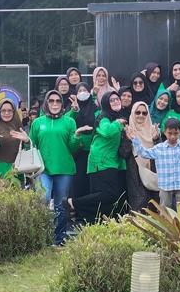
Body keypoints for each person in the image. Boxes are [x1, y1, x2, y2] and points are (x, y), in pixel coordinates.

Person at [71, 90, 129, 223]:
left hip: (112, 162)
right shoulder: (104, 117)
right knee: (109, 195)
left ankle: (96, 224)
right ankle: (74, 202)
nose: (116, 101)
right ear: (106, 103)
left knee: (108, 200)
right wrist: (118, 123)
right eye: (112, 100)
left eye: (117, 99)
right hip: (100, 162)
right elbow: (107, 132)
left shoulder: (115, 117)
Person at [30, 91, 79, 243]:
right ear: (46, 103)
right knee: (42, 199)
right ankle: (40, 238)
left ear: (62, 104)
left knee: (61, 204)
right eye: (51, 101)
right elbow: (32, 145)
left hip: (64, 169)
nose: (55, 104)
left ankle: (59, 239)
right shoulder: (37, 122)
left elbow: (73, 148)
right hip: (42, 170)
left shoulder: (69, 122)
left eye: (58, 101)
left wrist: (76, 138)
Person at [124, 99, 160, 211]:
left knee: (154, 206)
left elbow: (161, 152)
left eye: (144, 113)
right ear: (133, 113)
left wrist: (156, 139)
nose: (141, 115)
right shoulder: (127, 130)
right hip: (135, 173)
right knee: (139, 206)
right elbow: (123, 153)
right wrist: (129, 140)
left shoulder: (153, 130)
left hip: (152, 171)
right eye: (137, 112)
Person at [0, 100, 29, 179]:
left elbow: (26, 151)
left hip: (16, 172)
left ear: (14, 112)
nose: (6, 113)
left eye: (9, 110)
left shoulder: (18, 127)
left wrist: (27, 141)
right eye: (3, 111)